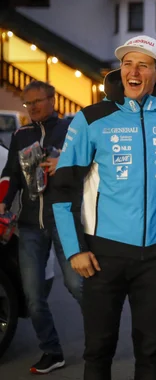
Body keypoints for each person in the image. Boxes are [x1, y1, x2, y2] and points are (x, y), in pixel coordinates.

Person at [52, 36, 156, 380]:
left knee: (150, 352)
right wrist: (75, 250)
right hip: (103, 255)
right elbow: (61, 190)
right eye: (127, 64)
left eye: (143, 64)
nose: (133, 71)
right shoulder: (92, 119)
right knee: (98, 350)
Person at [0, 80, 82, 374]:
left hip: (66, 221)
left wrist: (67, 162)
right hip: (31, 226)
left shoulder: (73, 132)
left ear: (52, 99)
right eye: (27, 103)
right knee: (33, 297)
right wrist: (3, 202)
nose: (32, 108)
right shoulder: (21, 136)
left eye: (37, 101)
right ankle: (52, 351)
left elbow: (91, 169)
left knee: (78, 286)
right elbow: (10, 175)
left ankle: (102, 341)